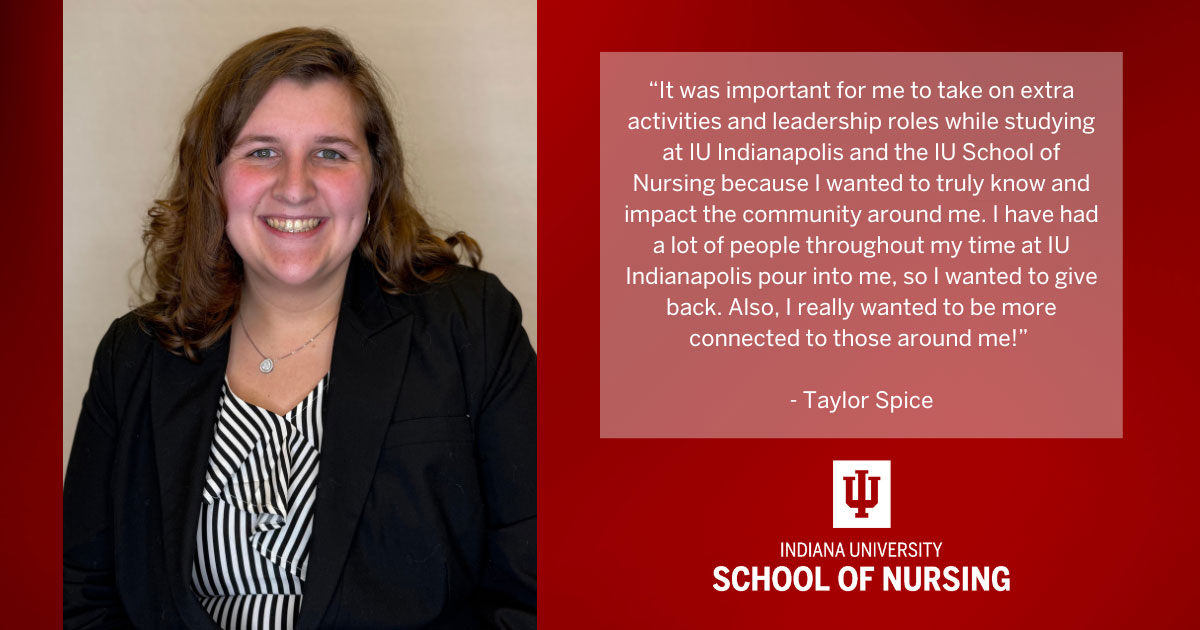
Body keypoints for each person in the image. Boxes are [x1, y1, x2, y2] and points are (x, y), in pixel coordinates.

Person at [62, 27, 536, 629]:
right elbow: (78, 593)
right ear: (214, 178)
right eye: (261, 151)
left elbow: (541, 587)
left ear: (374, 178)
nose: (294, 186)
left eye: (331, 152)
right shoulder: (132, 357)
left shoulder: (473, 326)